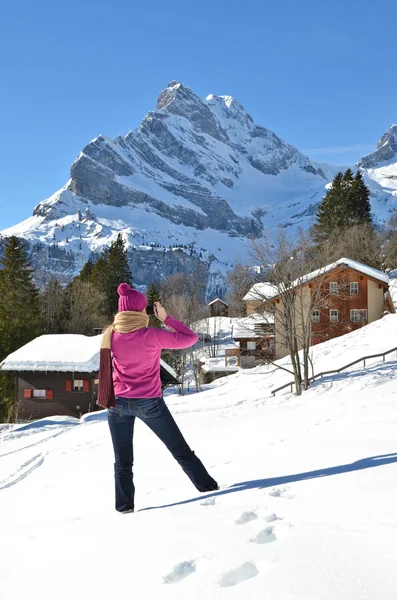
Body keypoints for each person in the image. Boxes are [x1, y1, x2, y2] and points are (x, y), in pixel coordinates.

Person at [97, 282, 218, 513]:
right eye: (143, 309)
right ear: (140, 311)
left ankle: (124, 508)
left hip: (118, 404)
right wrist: (165, 318)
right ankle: (209, 488)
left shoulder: (109, 335)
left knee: (122, 461)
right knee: (180, 450)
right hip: (149, 403)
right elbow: (190, 337)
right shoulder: (150, 335)